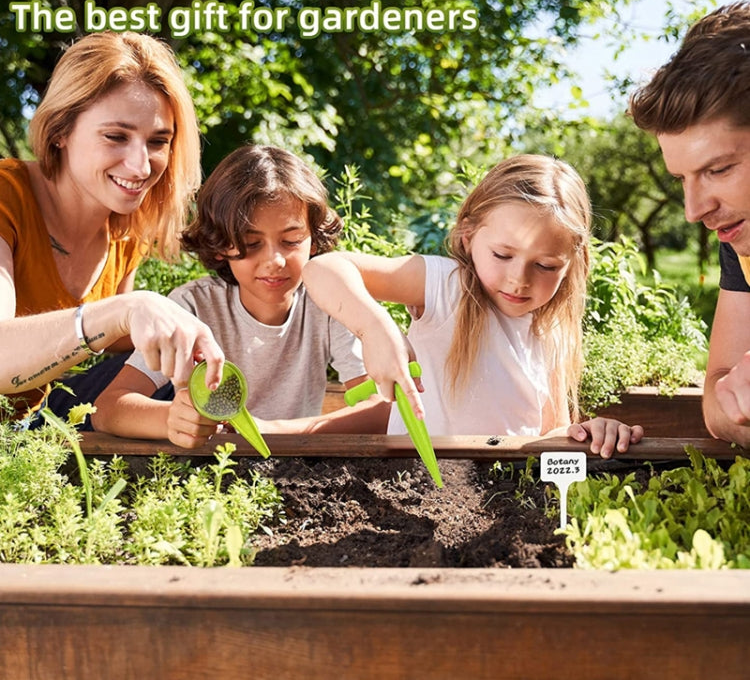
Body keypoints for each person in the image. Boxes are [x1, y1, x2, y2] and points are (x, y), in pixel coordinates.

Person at [302, 154, 644, 459]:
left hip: (502, 499)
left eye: (546, 266)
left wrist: (587, 433)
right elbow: (322, 269)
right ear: (468, 236)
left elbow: (547, 437)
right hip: (415, 489)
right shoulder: (446, 286)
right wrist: (374, 328)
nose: (518, 279)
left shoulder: (552, 332)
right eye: (502, 255)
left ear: (572, 264)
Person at [93, 144, 389, 447]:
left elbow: (381, 408)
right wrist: (169, 418)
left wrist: (272, 430)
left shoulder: (329, 304)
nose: (274, 261)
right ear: (221, 244)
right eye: (251, 243)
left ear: (313, 240)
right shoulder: (191, 306)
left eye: (290, 240)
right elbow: (107, 408)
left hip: (292, 468)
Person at [0, 30, 226, 424]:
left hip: (33, 432)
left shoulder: (125, 229)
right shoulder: (7, 195)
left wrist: (190, 322)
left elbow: (113, 345)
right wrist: (129, 308)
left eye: (158, 141)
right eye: (116, 136)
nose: (141, 167)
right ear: (59, 132)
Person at [629, 0, 750, 447]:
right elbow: (718, 391)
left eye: (718, 170)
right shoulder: (741, 239)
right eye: (682, 178)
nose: (693, 211)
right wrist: (736, 405)